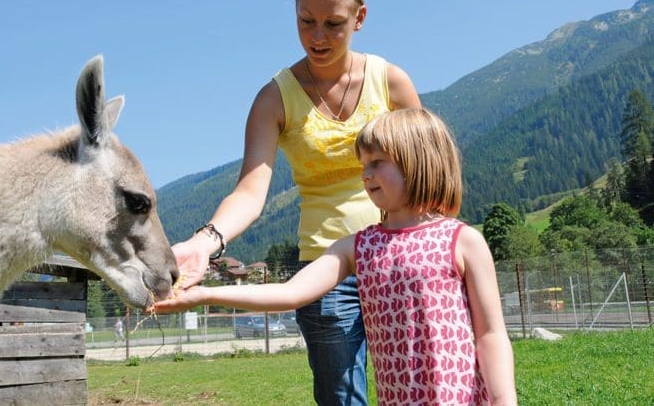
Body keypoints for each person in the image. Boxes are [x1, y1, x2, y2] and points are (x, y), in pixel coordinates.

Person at [170, 0, 421, 404]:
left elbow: (426, 174)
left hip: (397, 256)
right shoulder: (274, 98)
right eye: (306, 21)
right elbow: (250, 190)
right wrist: (206, 242)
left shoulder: (392, 83)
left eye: (333, 23)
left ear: (359, 19)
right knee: (341, 396)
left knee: (419, 385)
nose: (317, 36)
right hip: (324, 269)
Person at [155, 108, 517, 405]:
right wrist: (204, 295)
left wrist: (504, 400)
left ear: (418, 161)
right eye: (363, 165)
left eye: (377, 162)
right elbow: (289, 293)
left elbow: (490, 333)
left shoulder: (463, 241)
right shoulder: (356, 248)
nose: (366, 175)